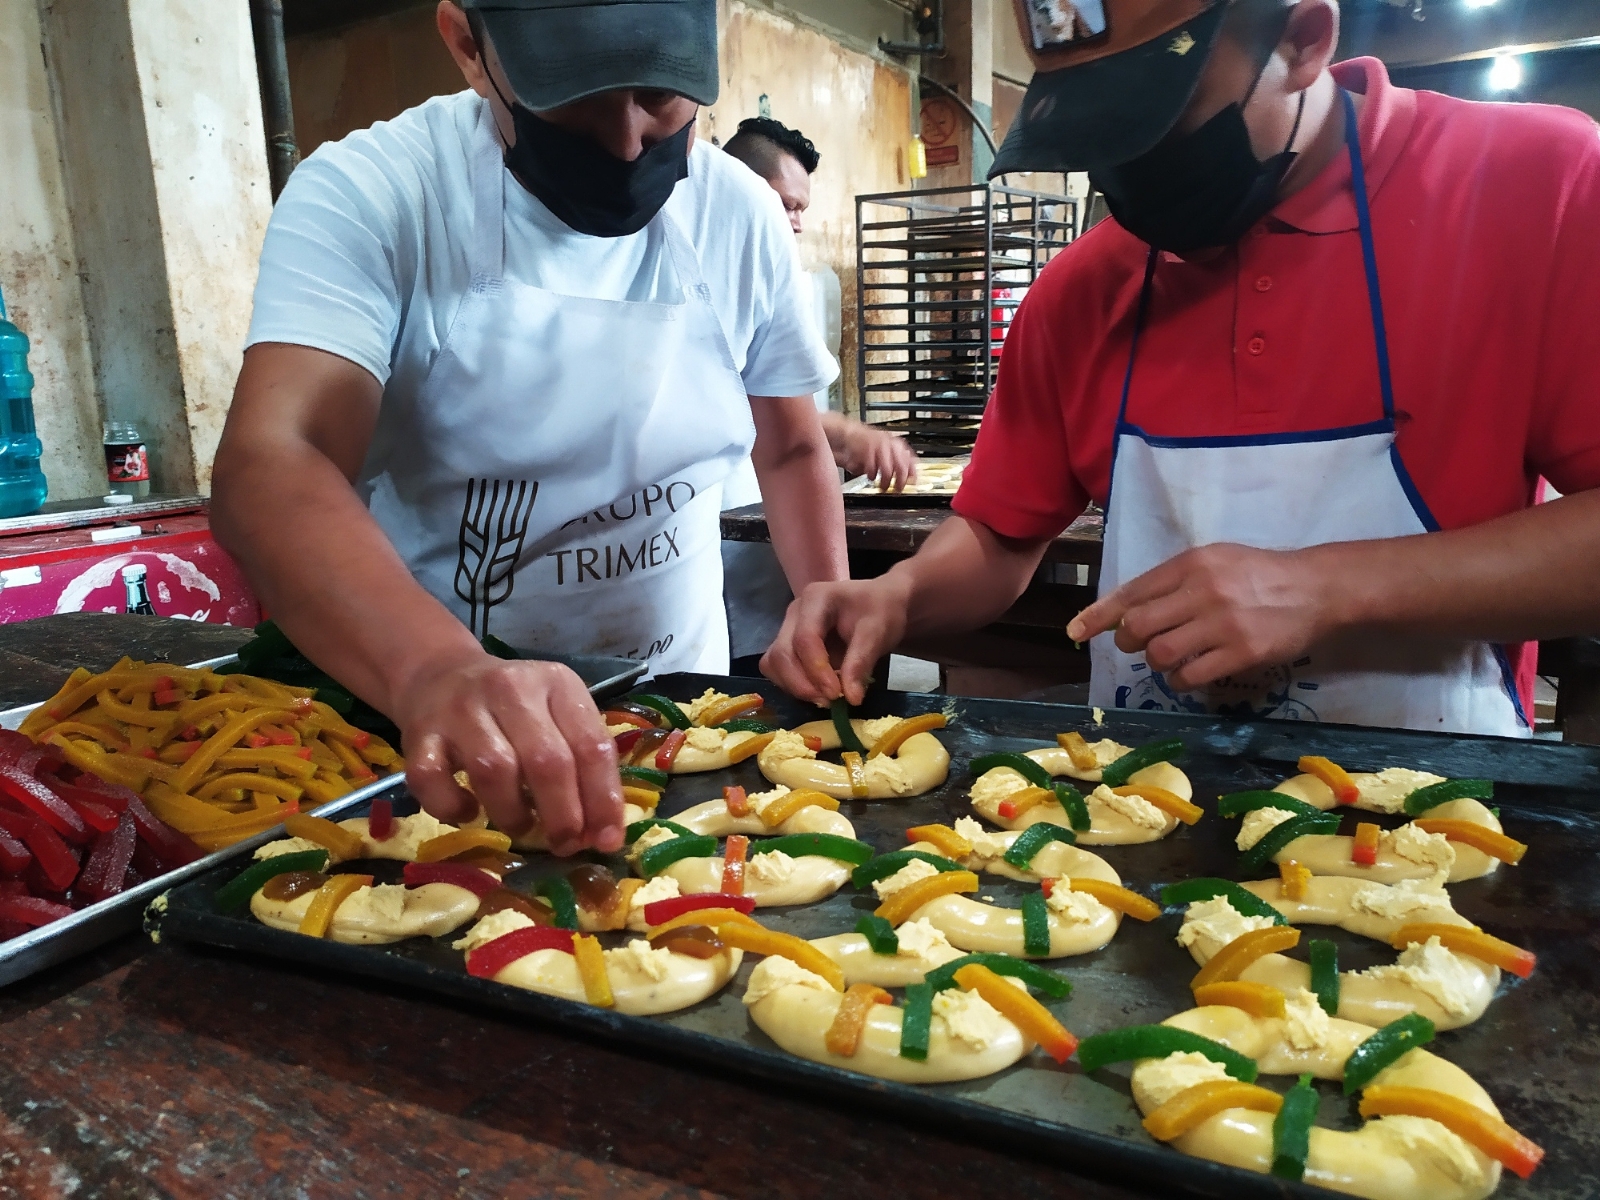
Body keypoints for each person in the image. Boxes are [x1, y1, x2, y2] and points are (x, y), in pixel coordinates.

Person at [762, 0, 1600, 737]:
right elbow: (1000, 532)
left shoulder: (1532, 189)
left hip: (1432, 844)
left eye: (1154, 125)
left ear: (1304, 39)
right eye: (1098, 140)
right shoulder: (1082, 290)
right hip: (1142, 838)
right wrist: (899, 598)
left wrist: (1329, 588)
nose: (1128, 175)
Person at [211, 0, 847, 854]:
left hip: (683, 716)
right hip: (462, 744)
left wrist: (822, 602)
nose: (627, 141)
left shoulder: (741, 216)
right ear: (470, 46)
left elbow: (793, 444)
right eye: (577, 96)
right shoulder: (378, 195)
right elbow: (274, 461)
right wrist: (438, 668)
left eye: (661, 96)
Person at [717, 116, 919, 669]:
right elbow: (740, 407)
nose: (796, 224)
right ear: (732, 184)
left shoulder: (777, 280)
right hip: (708, 565)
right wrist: (845, 433)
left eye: (802, 208)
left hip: (769, 562)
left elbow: (787, 428)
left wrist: (843, 437)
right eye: (786, 205)